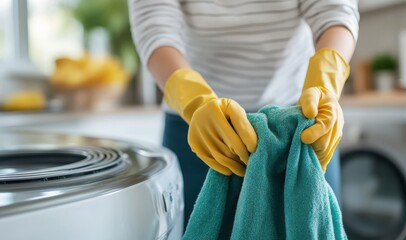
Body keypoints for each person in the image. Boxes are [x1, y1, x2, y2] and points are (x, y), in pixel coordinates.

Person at [129, 0, 359, 226]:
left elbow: (335, 11)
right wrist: (195, 101)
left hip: (299, 121)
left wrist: (325, 83)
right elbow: (155, 28)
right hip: (197, 128)